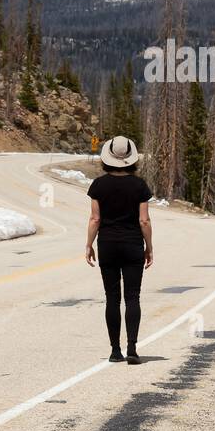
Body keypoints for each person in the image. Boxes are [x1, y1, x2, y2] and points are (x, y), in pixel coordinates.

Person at [85, 135, 153, 364]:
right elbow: (144, 221)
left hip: (108, 246)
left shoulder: (98, 185)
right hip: (133, 244)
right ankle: (132, 347)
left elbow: (95, 219)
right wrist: (149, 247)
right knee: (133, 297)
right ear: (131, 159)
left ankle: (115, 350)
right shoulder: (140, 186)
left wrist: (89, 244)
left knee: (112, 298)